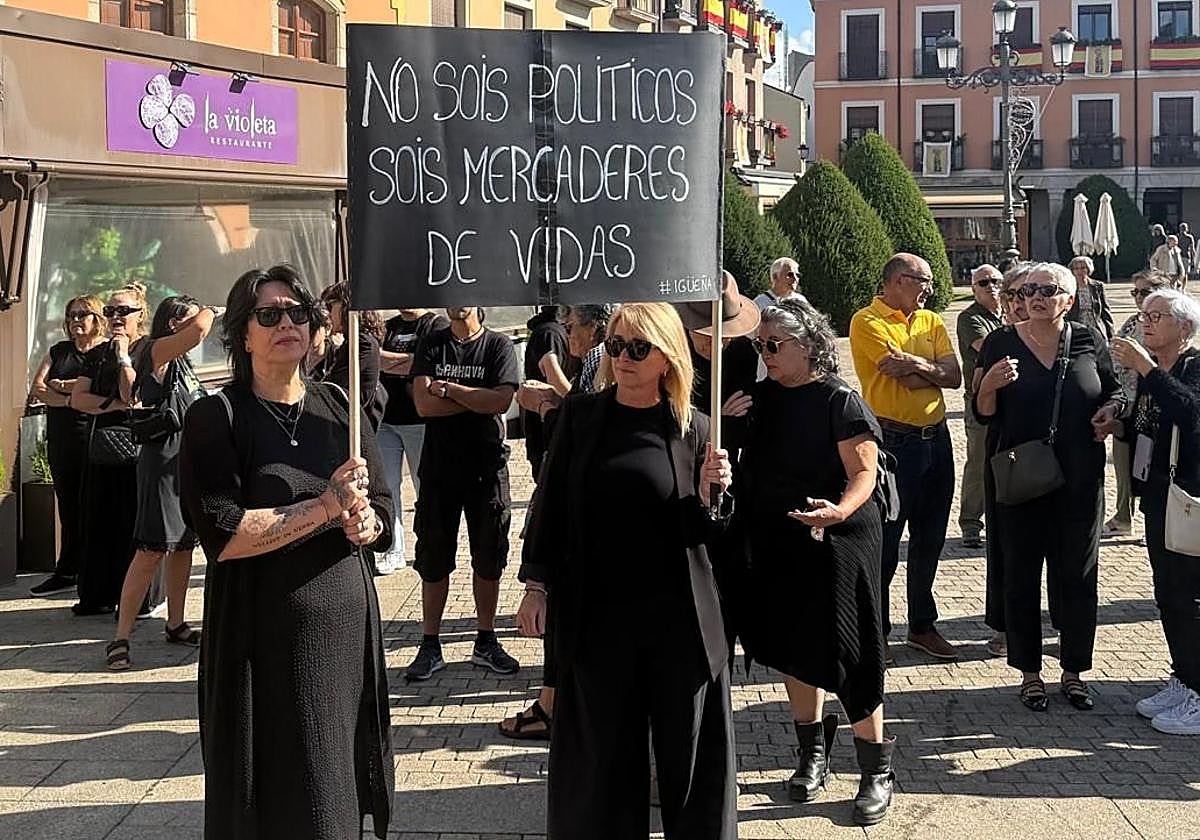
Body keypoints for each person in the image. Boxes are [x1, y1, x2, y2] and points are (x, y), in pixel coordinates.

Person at [179, 265, 394, 839]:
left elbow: (387, 517)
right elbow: (223, 534)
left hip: (344, 635)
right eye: (268, 315)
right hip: (261, 642)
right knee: (275, 801)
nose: (286, 324)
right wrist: (325, 507)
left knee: (334, 795)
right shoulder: (215, 417)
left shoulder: (339, 404)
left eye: (298, 312)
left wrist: (367, 522)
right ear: (242, 334)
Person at [516, 302, 736, 839]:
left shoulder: (696, 428)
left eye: (639, 348)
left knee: (688, 762)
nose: (624, 357)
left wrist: (716, 496)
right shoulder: (583, 416)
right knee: (604, 766)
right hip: (599, 619)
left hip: (679, 623)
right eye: (616, 346)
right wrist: (536, 584)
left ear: (668, 357)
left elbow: (711, 537)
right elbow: (551, 506)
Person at [736, 298, 894, 825]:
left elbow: (864, 475)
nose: (766, 354)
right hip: (780, 539)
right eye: (761, 346)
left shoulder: (838, 400)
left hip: (839, 537)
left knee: (850, 649)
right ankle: (812, 754)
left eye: (774, 345)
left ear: (809, 346)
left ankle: (876, 770)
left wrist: (838, 513)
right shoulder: (758, 399)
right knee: (793, 644)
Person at [973, 262, 1123, 713]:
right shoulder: (1000, 342)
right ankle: (1030, 673)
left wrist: (1111, 415)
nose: (1037, 297)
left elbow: (1112, 392)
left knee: (1077, 574)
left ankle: (1074, 671)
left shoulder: (1087, 339)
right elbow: (981, 413)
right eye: (1030, 290)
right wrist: (990, 386)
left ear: (1070, 300)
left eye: (1050, 290)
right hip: (1021, 478)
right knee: (1020, 574)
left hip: (1079, 478)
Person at [501, 303, 612, 741]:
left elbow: (587, 428)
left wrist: (544, 402)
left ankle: (555, 707)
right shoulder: (591, 362)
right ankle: (552, 701)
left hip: (580, 503)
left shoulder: (602, 359)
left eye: (572, 327)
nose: (568, 335)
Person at [849, 253, 962, 662]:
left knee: (930, 538)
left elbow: (954, 377)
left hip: (938, 441)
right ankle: (875, 634)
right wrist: (932, 371)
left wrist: (917, 364)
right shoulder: (867, 321)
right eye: (923, 280)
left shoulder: (930, 321)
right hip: (894, 444)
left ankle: (922, 626)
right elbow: (897, 373)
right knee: (886, 541)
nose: (929, 288)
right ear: (897, 280)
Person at [406, 306, 522, 681]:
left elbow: (500, 402)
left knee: (488, 556)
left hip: (485, 469)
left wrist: (449, 389)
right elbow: (423, 404)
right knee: (433, 558)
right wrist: (474, 398)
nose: (459, 302)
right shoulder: (432, 343)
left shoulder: (498, 346)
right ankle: (429, 645)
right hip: (439, 470)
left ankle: (485, 641)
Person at [105, 296, 217, 671]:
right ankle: (121, 636)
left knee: (183, 545)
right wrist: (213, 309)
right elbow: (201, 328)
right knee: (151, 549)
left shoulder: (176, 359)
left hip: (185, 461)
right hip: (162, 460)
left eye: (124, 311)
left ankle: (176, 622)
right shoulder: (155, 349)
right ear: (173, 324)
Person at [1109, 289, 1200, 735]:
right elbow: (1149, 426)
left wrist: (1146, 367)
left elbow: (1192, 414)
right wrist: (1117, 421)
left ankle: (1199, 692)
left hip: (1188, 497)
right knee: (1168, 593)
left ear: (1183, 329)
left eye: (1157, 315)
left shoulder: (1193, 366)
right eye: (1143, 314)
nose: (1145, 322)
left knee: (1190, 595)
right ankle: (1183, 678)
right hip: (1158, 496)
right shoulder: (1154, 372)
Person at [69, 283, 149, 616]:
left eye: (123, 311)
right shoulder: (97, 354)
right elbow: (78, 399)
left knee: (131, 523)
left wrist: (123, 355)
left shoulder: (148, 350)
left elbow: (135, 395)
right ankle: (99, 595)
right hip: (104, 447)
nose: (115, 317)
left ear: (139, 315)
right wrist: (112, 406)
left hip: (138, 450)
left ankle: (133, 599)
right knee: (99, 522)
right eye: (110, 311)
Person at [27, 295, 107, 595]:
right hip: (62, 437)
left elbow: (104, 386)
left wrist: (68, 388)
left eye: (83, 314)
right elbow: (38, 388)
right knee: (68, 504)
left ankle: (94, 569)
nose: (76, 320)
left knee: (95, 503)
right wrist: (71, 398)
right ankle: (68, 569)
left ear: (96, 318)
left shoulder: (104, 350)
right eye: (72, 314)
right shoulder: (59, 351)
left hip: (94, 435)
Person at [377, 307, 451, 572]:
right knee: (387, 486)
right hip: (386, 420)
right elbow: (374, 358)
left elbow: (428, 363)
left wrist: (403, 362)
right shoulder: (388, 326)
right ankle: (393, 550)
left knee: (425, 486)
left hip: (420, 421)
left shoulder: (435, 324)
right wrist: (410, 362)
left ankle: (430, 545)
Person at [1105, 270, 1174, 537]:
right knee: (1123, 461)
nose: (1138, 297)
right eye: (1135, 292)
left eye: (1144, 292)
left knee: (1153, 462)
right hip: (1127, 402)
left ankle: (1156, 522)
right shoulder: (1133, 322)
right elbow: (1116, 355)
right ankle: (1123, 516)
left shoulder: (1171, 323)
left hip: (1154, 405)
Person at [679, 270, 763, 456]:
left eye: (724, 335)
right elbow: (674, 427)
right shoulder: (674, 353)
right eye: (706, 334)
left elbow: (742, 431)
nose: (716, 343)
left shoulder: (743, 352)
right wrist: (717, 420)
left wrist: (704, 421)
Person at [956, 265, 1004, 550]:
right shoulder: (969, 318)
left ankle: (1002, 519)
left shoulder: (1008, 316)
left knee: (1008, 458)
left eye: (996, 281)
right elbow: (989, 347)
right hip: (980, 400)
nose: (991, 286)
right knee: (978, 461)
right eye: (983, 282)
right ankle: (971, 523)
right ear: (973, 289)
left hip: (1010, 399)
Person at [312, 282, 387, 432]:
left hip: (354, 427)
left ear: (345, 306)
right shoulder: (350, 341)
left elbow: (336, 385)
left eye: (330, 306)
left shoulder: (361, 342)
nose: (328, 314)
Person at [522, 306, 570, 479]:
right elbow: (554, 381)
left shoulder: (546, 331)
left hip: (545, 424)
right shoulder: (550, 334)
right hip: (546, 428)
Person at [1066, 256, 1115, 340]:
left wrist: (1110, 332)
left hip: (1095, 326)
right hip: (1077, 326)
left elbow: (1105, 310)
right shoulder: (1069, 286)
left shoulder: (1097, 286)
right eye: (1076, 268)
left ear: (1088, 269)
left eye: (1083, 268)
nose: (1079, 271)